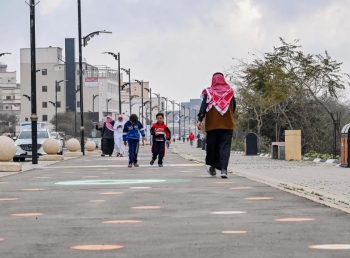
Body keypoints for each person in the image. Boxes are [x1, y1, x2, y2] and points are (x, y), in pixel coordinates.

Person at [197, 72, 236, 179]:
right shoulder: (230, 92)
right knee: (225, 147)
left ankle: (212, 166)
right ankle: (224, 170)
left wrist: (200, 120)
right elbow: (234, 107)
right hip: (227, 125)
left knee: (211, 147)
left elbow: (203, 107)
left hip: (212, 126)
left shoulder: (208, 92)